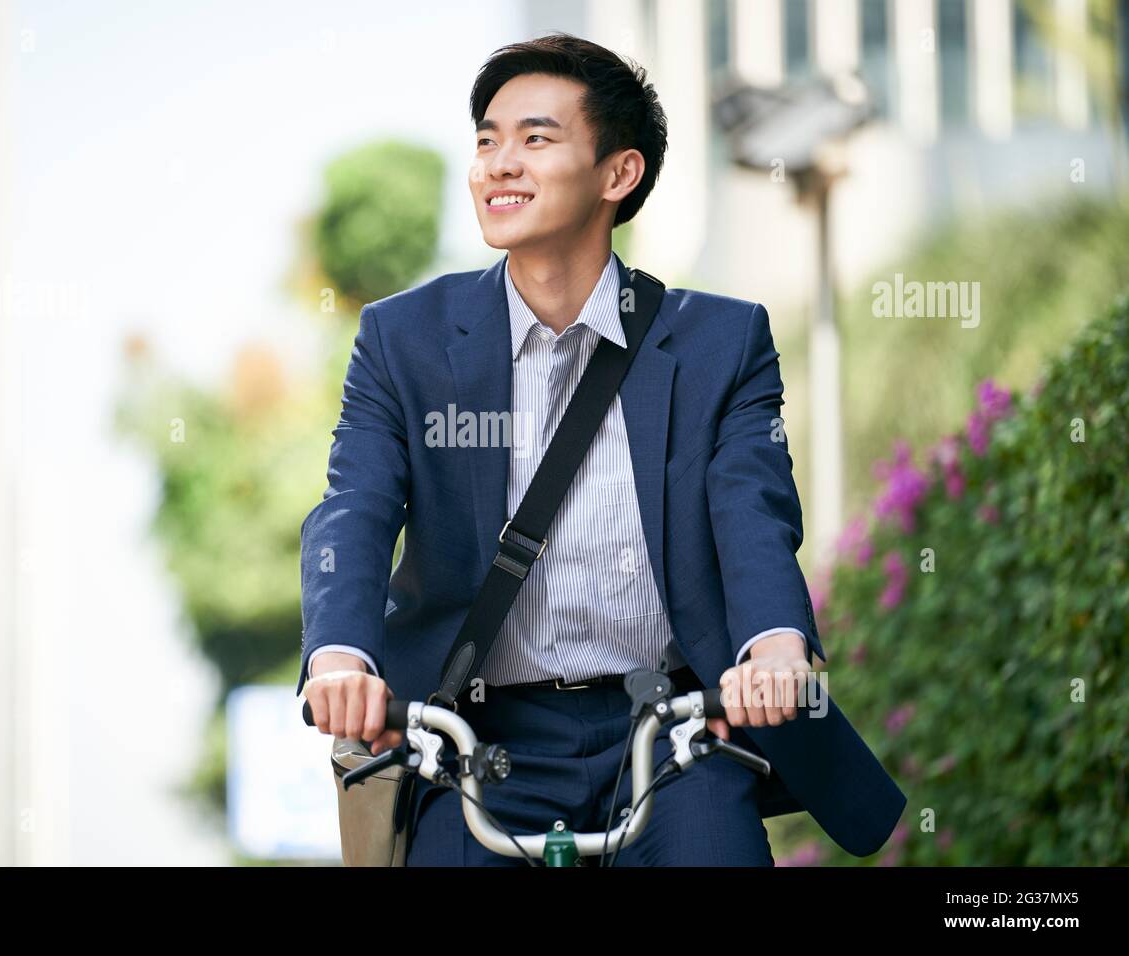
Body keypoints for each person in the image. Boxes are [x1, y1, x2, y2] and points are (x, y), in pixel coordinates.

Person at [298, 32, 905, 865]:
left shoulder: (720, 340)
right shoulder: (403, 340)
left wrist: (774, 646)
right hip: (481, 735)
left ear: (618, 174)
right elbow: (353, 508)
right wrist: (340, 657)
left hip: (671, 731)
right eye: (486, 140)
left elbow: (752, 514)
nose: (497, 164)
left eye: (535, 139)